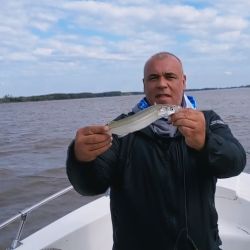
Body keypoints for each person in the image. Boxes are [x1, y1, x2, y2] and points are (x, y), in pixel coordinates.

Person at [66, 52, 246, 250]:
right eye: (153, 78)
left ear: (183, 81)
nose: (162, 84)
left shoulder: (208, 121)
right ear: (144, 84)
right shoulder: (121, 129)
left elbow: (235, 163)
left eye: (170, 76)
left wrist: (206, 142)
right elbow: (90, 186)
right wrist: (80, 158)